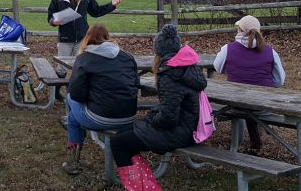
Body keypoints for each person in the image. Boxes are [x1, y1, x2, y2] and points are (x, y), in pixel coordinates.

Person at [109, 24, 207, 190]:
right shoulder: (187, 67)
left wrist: (152, 119)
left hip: (180, 132)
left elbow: (168, 118)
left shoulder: (170, 74)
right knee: (122, 134)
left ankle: (140, 187)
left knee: (119, 143)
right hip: (188, 127)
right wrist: (153, 116)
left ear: (158, 52)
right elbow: (171, 107)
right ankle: (142, 183)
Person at [62, 23, 139, 175]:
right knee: (74, 112)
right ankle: (73, 126)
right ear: (108, 37)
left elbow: (77, 94)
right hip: (129, 116)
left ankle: (73, 158)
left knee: (70, 99)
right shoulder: (127, 57)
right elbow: (135, 84)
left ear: (87, 38)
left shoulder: (84, 58)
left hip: (100, 117)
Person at [47, 0, 123, 108]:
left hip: (83, 37)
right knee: (62, 67)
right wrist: (53, 21)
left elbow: (96, 11)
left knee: (80, 66)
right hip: (65, 37)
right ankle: (57, 92)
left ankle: (76, 94)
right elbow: (50, 16)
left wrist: (111, 5)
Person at [213, 15, 286, 152]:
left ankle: (249, 142)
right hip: (262, 104)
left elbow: (217, 67)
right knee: (252, 103)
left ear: (239, 30)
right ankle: (256, 141)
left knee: (246, 104)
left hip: (234, 103)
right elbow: (279, 80)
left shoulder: (228, 49)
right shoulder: (271, 52)